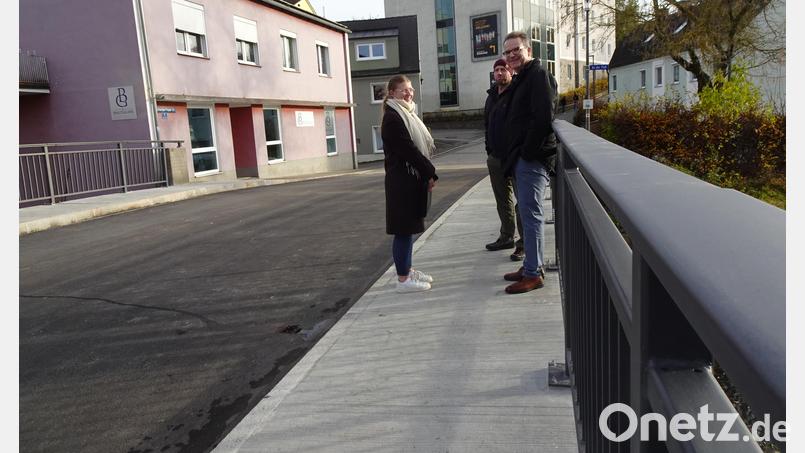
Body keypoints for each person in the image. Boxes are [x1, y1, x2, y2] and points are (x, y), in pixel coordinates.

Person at [499, 31, 558, 294]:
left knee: (532, 216)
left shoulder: (537, 75)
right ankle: (530, 264)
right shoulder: (523, 78)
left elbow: (543, 116)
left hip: (531, 160)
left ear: (529, 51)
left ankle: (534, 273)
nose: (511, 55)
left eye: (516, 50)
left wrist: (527, 152)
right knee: (526, 213)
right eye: (507, 51)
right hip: (521, 159)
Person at [381, 75, 438, 293]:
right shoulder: (393, 118)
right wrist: (430, 172)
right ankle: (403, 279)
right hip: (401, 182)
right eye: (404, 90)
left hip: (409, 180)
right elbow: (409, 151)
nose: (409, 93)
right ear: (392, 93)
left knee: (409, 228)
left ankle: (407, 269)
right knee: (403, 230)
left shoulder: (405, 114)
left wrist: (425, 175)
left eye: (411, 89)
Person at [483, 58, 524, 261]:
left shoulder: (516, 92)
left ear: (511, 72)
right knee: (502, 200)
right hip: (496, 158)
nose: (499, 73)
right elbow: (486, 124)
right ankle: (506, 235)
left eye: (503, 69)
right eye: (496, 70)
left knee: (521, 201)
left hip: (516, 157)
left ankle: (523, 243)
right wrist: (489, 149)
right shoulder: (491, 96)